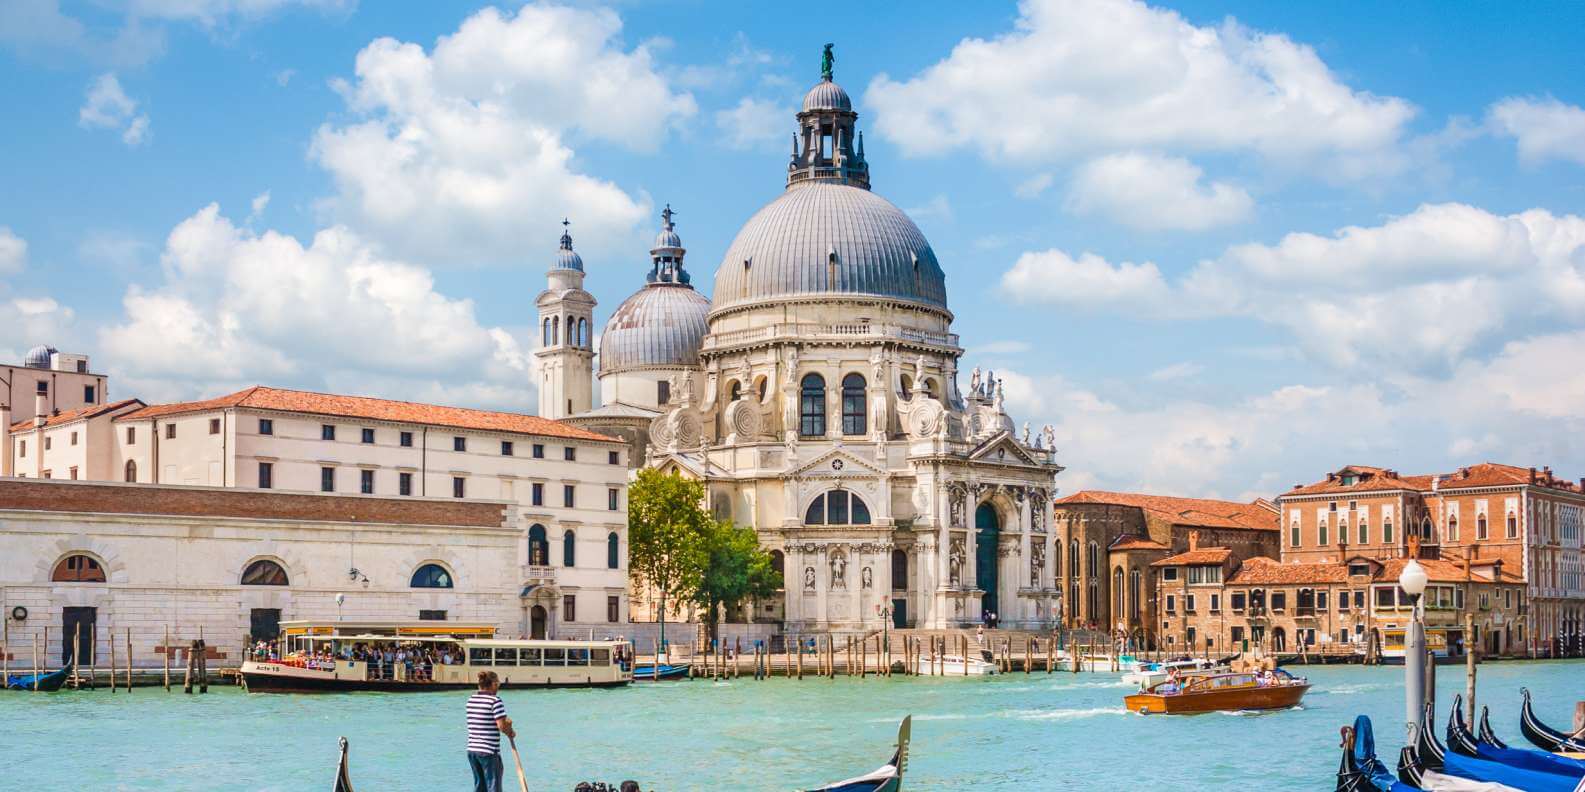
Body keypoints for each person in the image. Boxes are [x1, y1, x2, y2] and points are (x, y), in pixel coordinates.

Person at [466, 670, 516, 792]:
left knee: (480, 787)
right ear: (493, 684)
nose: (498, 688)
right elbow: (501, 726)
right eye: (498, 684)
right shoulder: (495, 701)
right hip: (488, 751)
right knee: (494, 787)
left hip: (472, 750)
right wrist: (510, 731)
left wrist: (505, 723)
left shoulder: (470, 700)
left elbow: (483, 720)